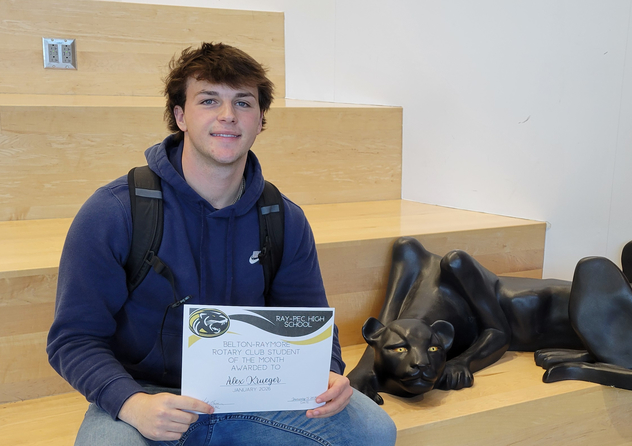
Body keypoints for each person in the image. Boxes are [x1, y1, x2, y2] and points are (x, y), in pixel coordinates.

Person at [46, 42, 397, 446]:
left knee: (372, 430)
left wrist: (329, 373)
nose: (228, 116)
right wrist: (131, 403)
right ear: (180, 116)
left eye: (243, 103)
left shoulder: (283, 217)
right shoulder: (114, 211)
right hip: (147, 397)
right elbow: (73, 339)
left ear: (260, 120)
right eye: (209, 100)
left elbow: (309, 322)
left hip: (254, 395)